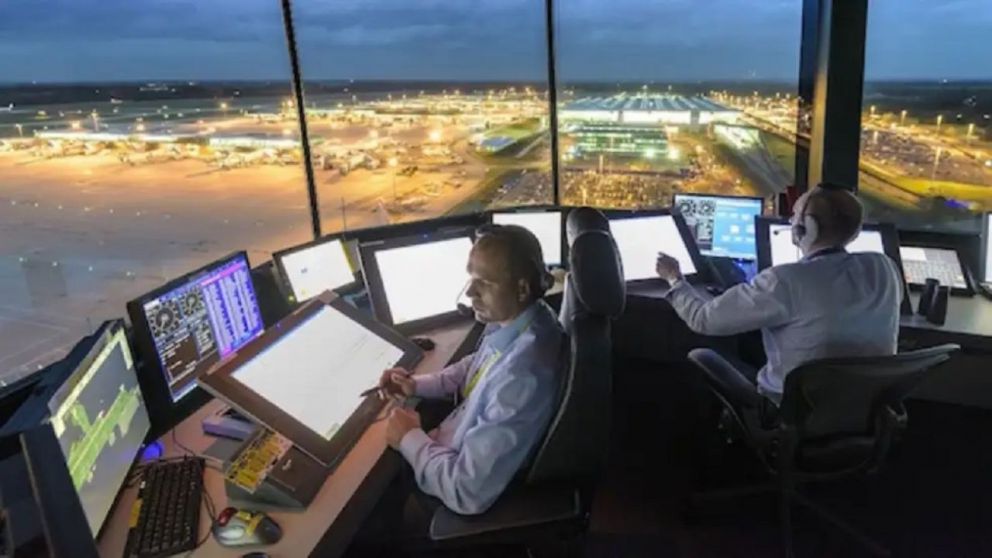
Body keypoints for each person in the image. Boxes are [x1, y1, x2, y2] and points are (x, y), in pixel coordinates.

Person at [353, 224, 563, 554]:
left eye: (484, 283)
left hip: (457, 488)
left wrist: (409, 438)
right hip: (449, 450)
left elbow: (468, 490)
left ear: (522, 288)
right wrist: (416, 383)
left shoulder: (524, 374)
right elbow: (476, 366)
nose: (469, 293)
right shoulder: (524, 322)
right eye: (470, 278)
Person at [655, 184, 902, 408]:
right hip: (862, 410)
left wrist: (674, 278)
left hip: (790, 410)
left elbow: (703, 319)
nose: (792, 222)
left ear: (808, 228)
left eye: (794, 217)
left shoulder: (784, 281)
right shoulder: (884, 268)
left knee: (701, 350)